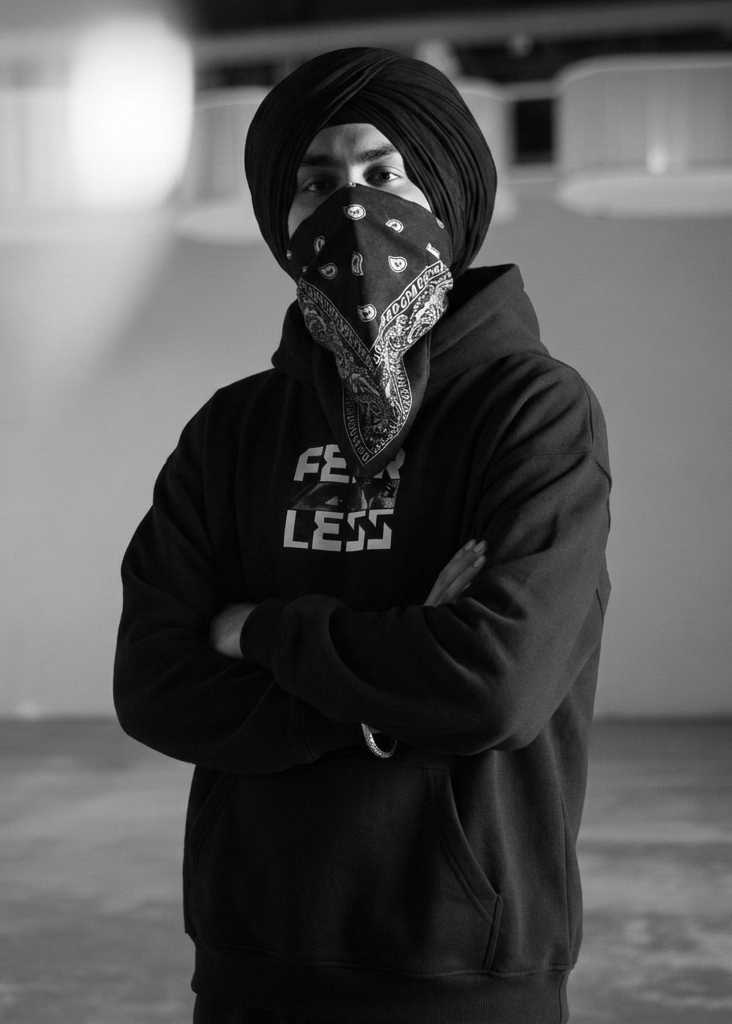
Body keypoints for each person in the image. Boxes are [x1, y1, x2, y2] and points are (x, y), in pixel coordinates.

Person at [113, 47, 611, 1024]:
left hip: (464, 966)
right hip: (254, 954)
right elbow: (155, 686)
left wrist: (261, 632)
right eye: (317, 183)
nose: (352, 208)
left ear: (445, 194)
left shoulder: (533, 412)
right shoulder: (235, 430)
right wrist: (393, 686)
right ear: (283, 217)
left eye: (384, 173)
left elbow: (494, 683)